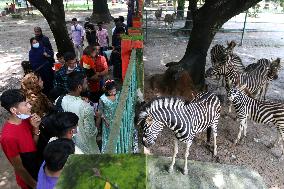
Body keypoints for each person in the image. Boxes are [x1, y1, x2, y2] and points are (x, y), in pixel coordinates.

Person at [0, 89, 41, 189]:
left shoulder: (26, 119)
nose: (30, 106)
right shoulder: (8, 137)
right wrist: (35, 186)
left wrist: (36, 128)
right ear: (14, 110)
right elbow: (19, 168)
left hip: (37, 167)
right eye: (26, 104)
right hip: (30, 179)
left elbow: (32, 146)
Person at [56, 72, 100, 154]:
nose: (88, 84)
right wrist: (98, 119)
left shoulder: (59, 99)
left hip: (68, 144)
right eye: (86, 82)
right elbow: (91, 134)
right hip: (85, 148)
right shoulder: (86, 107)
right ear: (79, 87)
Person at [96, 80, 120, 153]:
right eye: (110, 92)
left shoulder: (118, 95)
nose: (113, 93)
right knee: (109, 137)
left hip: (117, 119)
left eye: (114, 91)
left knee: (117, 135)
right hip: (107, 121)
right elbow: (100, 111)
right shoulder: (102, 99)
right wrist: (105, 120)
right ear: (106, 91)